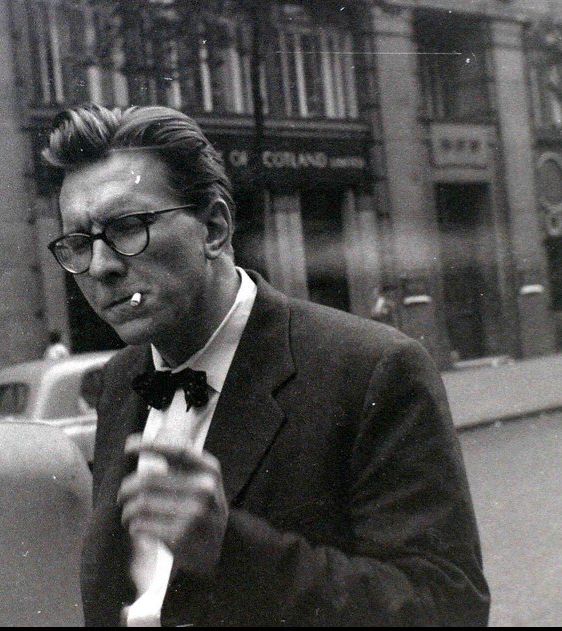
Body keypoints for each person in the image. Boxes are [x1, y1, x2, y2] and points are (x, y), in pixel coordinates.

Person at [43, 104, 489, 626]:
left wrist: (230, 549)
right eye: (79, 243)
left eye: (127, 227)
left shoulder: (375, 370)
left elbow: (448, 607)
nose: (101, 266)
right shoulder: (122, 378)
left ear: (214, 228)